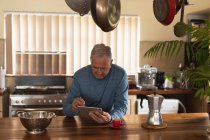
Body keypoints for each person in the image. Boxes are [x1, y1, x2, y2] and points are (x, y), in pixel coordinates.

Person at [63, 43, 128, 124]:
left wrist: (111, 118)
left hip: (109, 123)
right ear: (91, 61)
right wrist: (73, 107)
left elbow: (122, 107)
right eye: (95, 67)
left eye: (103, 68)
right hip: (84, 124)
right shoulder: (79, 76)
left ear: (111, 63)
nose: (99, 72)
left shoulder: (120, 75)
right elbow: (66, 109)